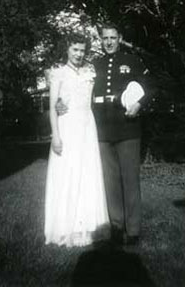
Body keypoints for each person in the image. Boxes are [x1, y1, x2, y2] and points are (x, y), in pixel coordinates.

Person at [92, 22, 156, 246]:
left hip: (128, 128)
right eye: (104, 38)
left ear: (119, 38)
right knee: (111, 181)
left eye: (112, 37)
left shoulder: (132, 61)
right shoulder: (95, 64)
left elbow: (150, 86)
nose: (108, 42)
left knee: (130, 180)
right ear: (101, 40)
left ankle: (134, 229)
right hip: (103, 130)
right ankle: (117, 226)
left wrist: (139, 104)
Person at [44, 32, 109, 248]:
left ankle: (87, 226)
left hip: (87, 127)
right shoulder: (58, 73)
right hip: (67, 127)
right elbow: (53, 107)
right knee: (68, 174)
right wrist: (55, 136)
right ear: (67, 50)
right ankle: (65, 228)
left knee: (86, 174)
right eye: (75, 49)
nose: (79, 54)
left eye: (82, 50)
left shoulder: (90, 72)